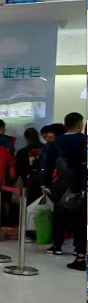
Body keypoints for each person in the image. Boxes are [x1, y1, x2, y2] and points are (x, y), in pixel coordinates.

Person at [43, 112, 86, 269]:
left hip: (60, 184)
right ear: (80, 125)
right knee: (81, 219)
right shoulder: (84, 140)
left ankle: (57, 245)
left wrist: (45, 183)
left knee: (59, 215)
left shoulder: (55, 143)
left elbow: (47, 165)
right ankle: (79, 252)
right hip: (80, 184)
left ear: (65, 125)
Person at [15, 127, 44, 204]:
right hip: (44, 181)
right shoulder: (46, 149)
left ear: (26, 138)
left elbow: (19, 168)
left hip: (28, 182)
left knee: (29, 204)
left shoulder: (23, 151)